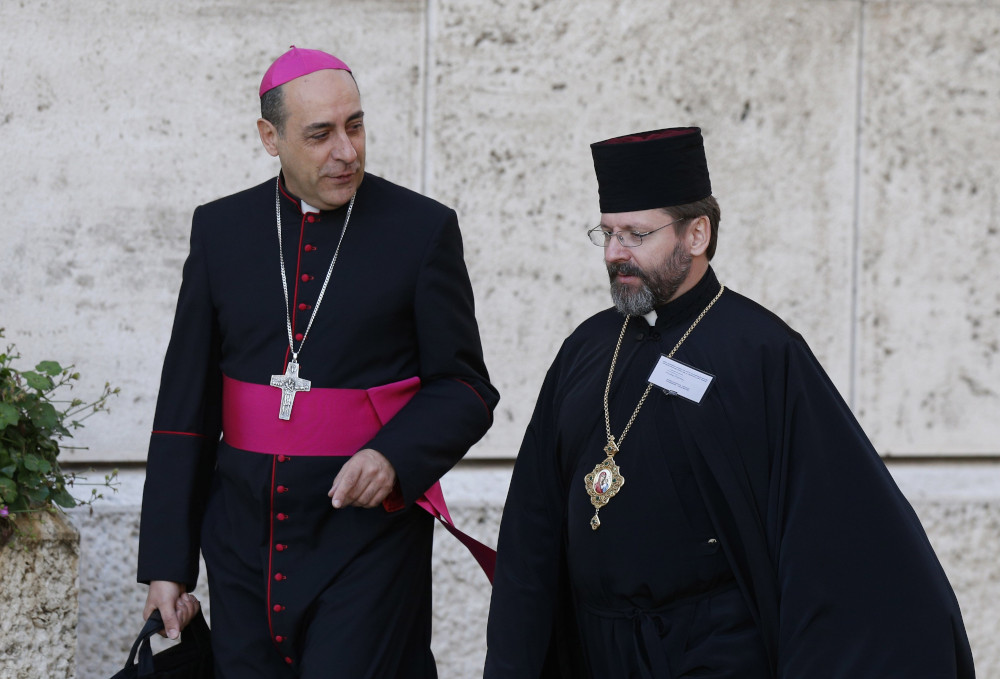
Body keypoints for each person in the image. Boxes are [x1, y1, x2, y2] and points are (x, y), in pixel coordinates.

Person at [484, 127, 974, 678]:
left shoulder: (759, 351)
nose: (617, 254)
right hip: (599, 651)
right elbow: (533, 524)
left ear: (697, 234)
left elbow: (835, 532)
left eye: (637, 235)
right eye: (608, 235)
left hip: (714, 651)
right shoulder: (587, 348)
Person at [137, 46, 499, 679]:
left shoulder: (421, 230)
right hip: (243, 544)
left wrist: (393, 457)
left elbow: (465, 387)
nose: (347, 151)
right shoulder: (220, 230)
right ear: (269, 137)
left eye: (355, 125)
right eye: (321, 134)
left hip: (366, 546)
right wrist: (169, 563)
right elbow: (184, 410)